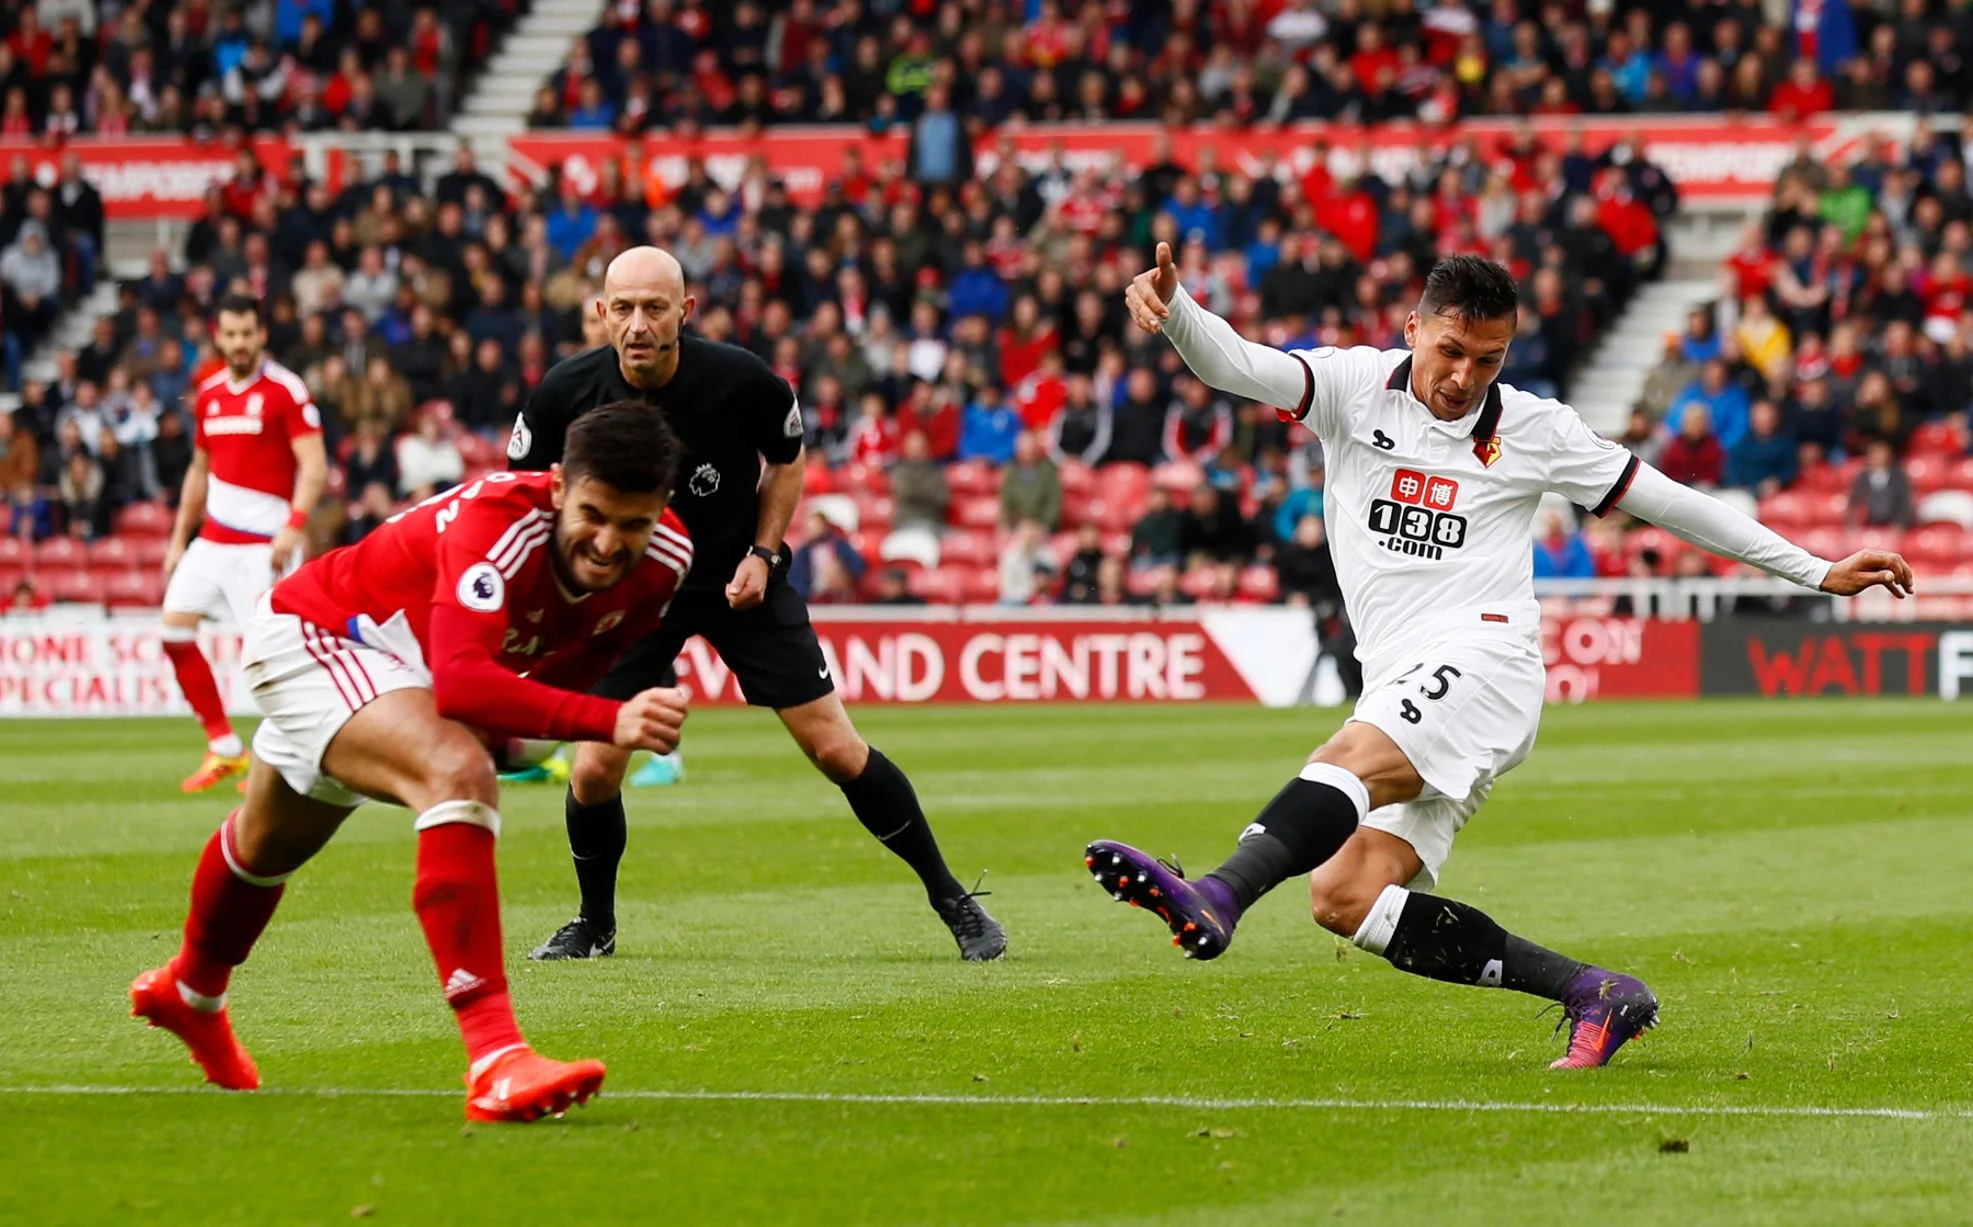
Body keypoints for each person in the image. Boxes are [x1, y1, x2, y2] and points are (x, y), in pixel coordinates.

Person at [1091, 247, 1913, 1069]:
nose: (1462, 375)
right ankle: (1595, 991)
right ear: (1413, 329)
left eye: (1487, 359)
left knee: (1348, 755)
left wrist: (1812, 568)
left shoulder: (1533, 428)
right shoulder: (1349, 387)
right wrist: (1178, 310)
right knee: (1343, 896)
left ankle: (1218, 893)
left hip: (1485, 662)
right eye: (1449, 350)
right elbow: (1234, 363)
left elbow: (1669, 502)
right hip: (1401, 676)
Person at [129, 403, 695, 1122]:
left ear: (661, 511)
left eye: (633, 523)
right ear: (557, 487)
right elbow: (462, 683)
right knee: (457, 773)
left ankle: (191, 990)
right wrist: (605, 718)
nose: (610, 542)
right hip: (322, 634)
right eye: (593, 514)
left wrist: (541, 717)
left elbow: (582, 654)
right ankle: (495, 1056)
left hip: (402, 671)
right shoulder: (497, 526)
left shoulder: (669, 560)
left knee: (268, 839)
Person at [506, 246, 1004, 962]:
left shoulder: (741, 380)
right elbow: (524, 492)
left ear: (686, 310)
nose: (638, 324)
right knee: (591, 770)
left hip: (736, 579)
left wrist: (764, 553)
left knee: (834, 747)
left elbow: (788, 458)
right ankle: (594, 924)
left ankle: (952, 899)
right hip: (631, 593)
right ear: (600, 314)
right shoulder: (564, 391)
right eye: (623, 308)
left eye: (654, 307)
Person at [160, 295, 328, 793]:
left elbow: (314, 466)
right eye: (230, 335)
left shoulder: (285, 390)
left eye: (246, 334)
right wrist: (177, 540)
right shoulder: (209, 393)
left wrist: (294, 525)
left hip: (265, 544)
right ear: (218, 335)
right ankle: (224, 746)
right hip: (212, 540)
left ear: (261, 335)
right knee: (173, 631)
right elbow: (198, 470)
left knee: (274, 656)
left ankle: (291, 756)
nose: (238, 344)